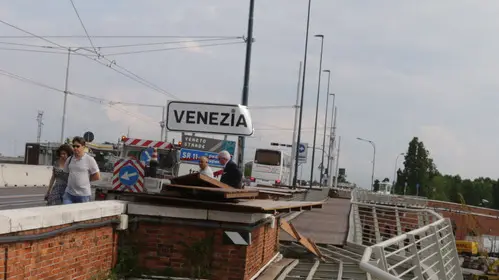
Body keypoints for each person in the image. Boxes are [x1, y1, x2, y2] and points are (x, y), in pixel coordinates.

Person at [63, 136, 101, 204]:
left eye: (77, 146)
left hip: (84, 195)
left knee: (82, 214)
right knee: (66, 213)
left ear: (83, 147)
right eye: (73, 146)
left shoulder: (89, 159)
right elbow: (66, 173)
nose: (75, 148)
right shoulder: (69, 159)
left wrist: (85, 180)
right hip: (69, 194)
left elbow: (97, 176)